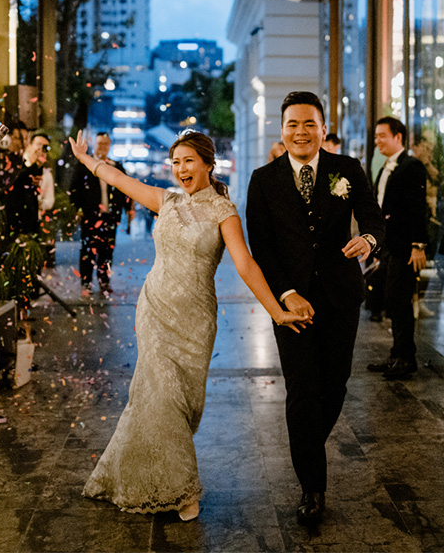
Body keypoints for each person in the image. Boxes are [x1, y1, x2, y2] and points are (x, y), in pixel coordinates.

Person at [69, 129, 308, 521]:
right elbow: (119, 180)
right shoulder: (166, 200)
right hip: (155, 309)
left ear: (208, 165)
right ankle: (182, 490)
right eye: (176, 161)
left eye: (188, 161)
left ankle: (139, 472)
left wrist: (276, 310)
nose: (180, 168)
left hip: (195, 319)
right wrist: (87, 161)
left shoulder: (223, 212)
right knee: (156, 393)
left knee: (178, 402)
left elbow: (246, 265)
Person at [246, 91, 385, 526]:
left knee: (335, 385)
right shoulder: (263, 179)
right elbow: (262, 247)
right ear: (281, 129)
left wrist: (369, 240)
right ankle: (313, 487)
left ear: (323, 129)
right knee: (302, 391)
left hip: (341, 296)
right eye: (292, 124)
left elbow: (374, 217)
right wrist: (286, 293)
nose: (301, 132)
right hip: (291, 306)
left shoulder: (347, 170)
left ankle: (305, 445)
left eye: (310, 124)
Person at [365, 117, 430, 380]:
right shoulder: (386, 167)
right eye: (376, 137)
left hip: (405, 247)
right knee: (392, 299)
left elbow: (418, 208)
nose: (378, 141)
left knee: (400, 301)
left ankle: (406, 358)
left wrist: (418, 245)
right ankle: (397, 354)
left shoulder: (411, 166)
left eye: (382, 136)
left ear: (398, 137)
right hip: (390, 246)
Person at [71, 132, 131, 296]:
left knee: (107, 251)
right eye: (100, 144)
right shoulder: (85, 164)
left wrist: (127, 210)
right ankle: (86, 283)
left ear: (109, 145)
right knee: (88, 250)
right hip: (91, 216)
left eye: (106, 144)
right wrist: (78, 209)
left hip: (110, 216)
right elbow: (74, 189)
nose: (103, 147)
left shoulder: (116, 167)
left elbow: (125, 192)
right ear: (94, 145)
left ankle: (104, 282)